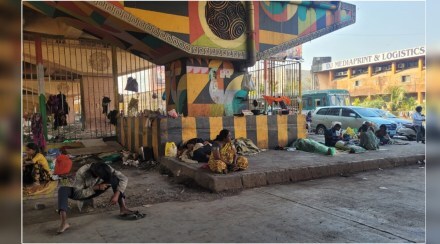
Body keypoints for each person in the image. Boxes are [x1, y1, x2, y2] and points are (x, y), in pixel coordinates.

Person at [56, 162, 138, 234]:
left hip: (99, 188)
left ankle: (123, 208)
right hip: (83, 193)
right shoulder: (82, 172)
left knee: (115, 178)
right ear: (96, 174)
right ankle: (63, 223)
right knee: (62, 190)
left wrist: (116, 194)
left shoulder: (105, 167)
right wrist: (96, 187)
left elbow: (124, 178)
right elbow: (78, 193)